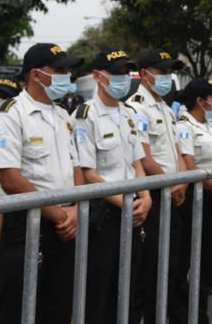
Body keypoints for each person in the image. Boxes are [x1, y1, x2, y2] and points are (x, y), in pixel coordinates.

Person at [0, 43, 83, 324]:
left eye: (68, 69)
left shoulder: (63, 115)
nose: (66, 75)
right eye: (59, 70)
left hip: (67, 224)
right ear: (36, 74)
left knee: (58, 305)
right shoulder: (9, 115)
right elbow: (10, 178)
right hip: (29, 225)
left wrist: (76, 208)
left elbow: (75, 165)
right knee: (20, 308)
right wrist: (59, 214)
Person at [74, 49, 151, 324]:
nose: (123, 79)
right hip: (104, 215)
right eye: (116, 73)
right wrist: (126, 203)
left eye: (125, 73)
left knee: (130, 289)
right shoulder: (85, 115)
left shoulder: (129, 113)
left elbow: (137, 163)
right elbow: (89, 173)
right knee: (99, 293)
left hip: (134, 212)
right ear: (98, 76)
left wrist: (146, 197)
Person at [126, 48, 190, 324]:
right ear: (145, 75)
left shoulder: (165, 106)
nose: (167, 77)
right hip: (153, 194)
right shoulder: (138, 107)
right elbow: (143, 155)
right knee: (148, 273)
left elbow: (175, 149)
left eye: (169, 71)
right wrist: (170, 182)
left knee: (171, 269)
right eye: (162, 71)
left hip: (172, 193)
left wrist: (182, 182)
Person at [175, 78, 212, 324]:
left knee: (208, 263)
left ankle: (201, 315)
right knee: (188, 265)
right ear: (200, 101)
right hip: (199, 200)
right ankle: (186, 315)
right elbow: (191, 168)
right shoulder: (184, 126)